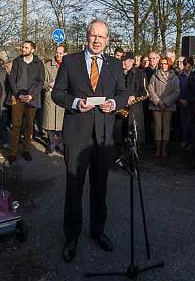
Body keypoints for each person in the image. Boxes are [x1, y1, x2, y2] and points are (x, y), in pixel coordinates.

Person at [51, 19, 128, 263]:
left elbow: (123, 94)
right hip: (76, 135)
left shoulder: (115, 65)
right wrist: (75, 102)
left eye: (101, 37)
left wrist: (114, 103)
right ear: (87, 36)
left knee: (100, 187)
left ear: (107, 39)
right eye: (93, 35)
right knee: (74, 188)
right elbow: (57, 93)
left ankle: (98, 231)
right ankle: (71, 236)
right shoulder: (71, 61)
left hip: (103, 138)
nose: (97, 40)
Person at [7, 40, 45, 163]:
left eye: (26, 47)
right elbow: (11, 79)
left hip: (31, 99)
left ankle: (26, 150)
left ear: (32, 50)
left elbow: (41, 81)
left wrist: (31, 96)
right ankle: (13, 152)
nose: (23, 49)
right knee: (16, 124)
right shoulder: (17, 61)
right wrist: (18, 94)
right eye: (23, 47)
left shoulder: (38, 63)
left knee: (29, 125)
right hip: (17, 97)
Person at [148, 57, 180, 157]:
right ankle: (157, 149)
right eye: (162, 63)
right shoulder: (155, 75)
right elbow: (150, 89)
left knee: (166, 127)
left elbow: (176, 91)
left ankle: (164, 149)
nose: (163, 65)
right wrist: (158, 102)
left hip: (168, 106)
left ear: (169, 64)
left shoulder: (174, 77)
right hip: (156, 105)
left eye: (165, 63)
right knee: (158, 126)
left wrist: (166, 102)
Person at [114, 52, 146, 146]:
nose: (123, 63)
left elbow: (146, 93)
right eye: (122, 61)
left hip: (134, 109)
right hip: (120, 108)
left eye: (126, 61)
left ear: (132, 61)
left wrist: (134, 97)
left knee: (133, 136)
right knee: (118, 134)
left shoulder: (140, 73)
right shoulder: (116, 74)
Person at [43, 45, 66, 155]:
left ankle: (60, 144)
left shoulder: (68, 65)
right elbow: (42, 82)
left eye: (61, 53)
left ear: (65, 54)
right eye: (57, 52)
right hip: (50, 96)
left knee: (62, 123)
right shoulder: (48, 65)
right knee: (50, 122)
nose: (58, 55)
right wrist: (48, 84)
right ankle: (51, 143)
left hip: (63, 97)